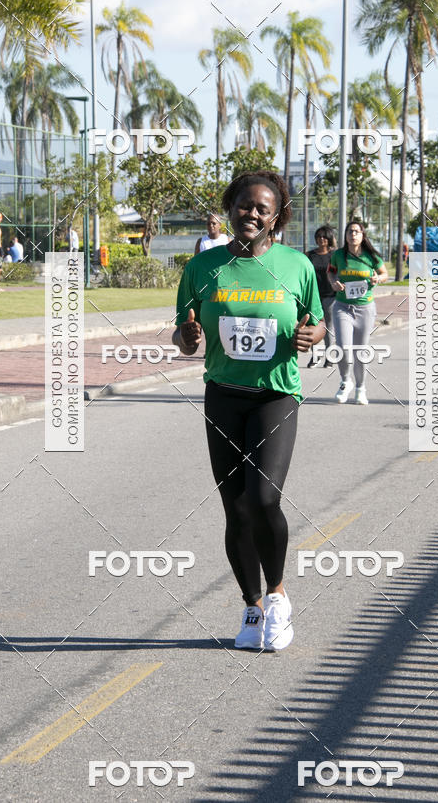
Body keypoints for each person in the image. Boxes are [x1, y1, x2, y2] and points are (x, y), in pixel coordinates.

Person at [173, 170, 325, 652]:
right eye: (244, 205)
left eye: (263, 208)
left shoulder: (296, 266)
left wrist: (313, 335)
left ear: (277, 217)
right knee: (235, 509)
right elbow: (183, 335)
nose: (252, 214)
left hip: (275, 395)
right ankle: (252, 607)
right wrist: (187, 337)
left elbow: (318, 323)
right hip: (223, 394)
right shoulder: (203, 267)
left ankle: (278, 596)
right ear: (230, 207)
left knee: (263, 499)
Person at [328, 221, 388, 405]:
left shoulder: (371, 256)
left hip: (365, 308)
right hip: (342, 307)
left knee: (360, 351)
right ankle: (345, 382)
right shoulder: (338, 255)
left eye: (356, 231)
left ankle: (361, 388)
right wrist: (333, 282)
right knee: (343, 347)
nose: (353, 234)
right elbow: (331, 272)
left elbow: (384, 274)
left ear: (363, 235)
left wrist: (378, 278)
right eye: (349, 231)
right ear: (345, 235)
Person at [305, 225, 337, 367]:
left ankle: (329, 358)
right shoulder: (309, 255)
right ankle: (315, 356)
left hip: (331, 296)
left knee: (329, 328)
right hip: (313, 297)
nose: (321, 239)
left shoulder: (334, 256)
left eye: (324, 236)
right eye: (318, 236)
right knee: (313, 325)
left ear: (329, 238)